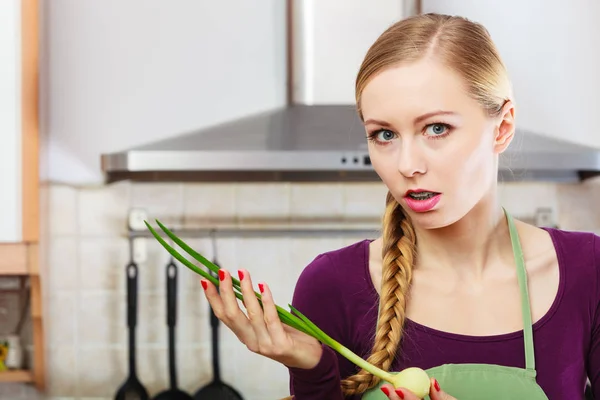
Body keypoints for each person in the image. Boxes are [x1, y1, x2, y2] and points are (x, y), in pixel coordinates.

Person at [200, 13, 600, 400]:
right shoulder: (331, 286)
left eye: (436, 128)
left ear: (503, 127)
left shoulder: (589, 270)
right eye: (385, 134)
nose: (407, 165)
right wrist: (312, 371)